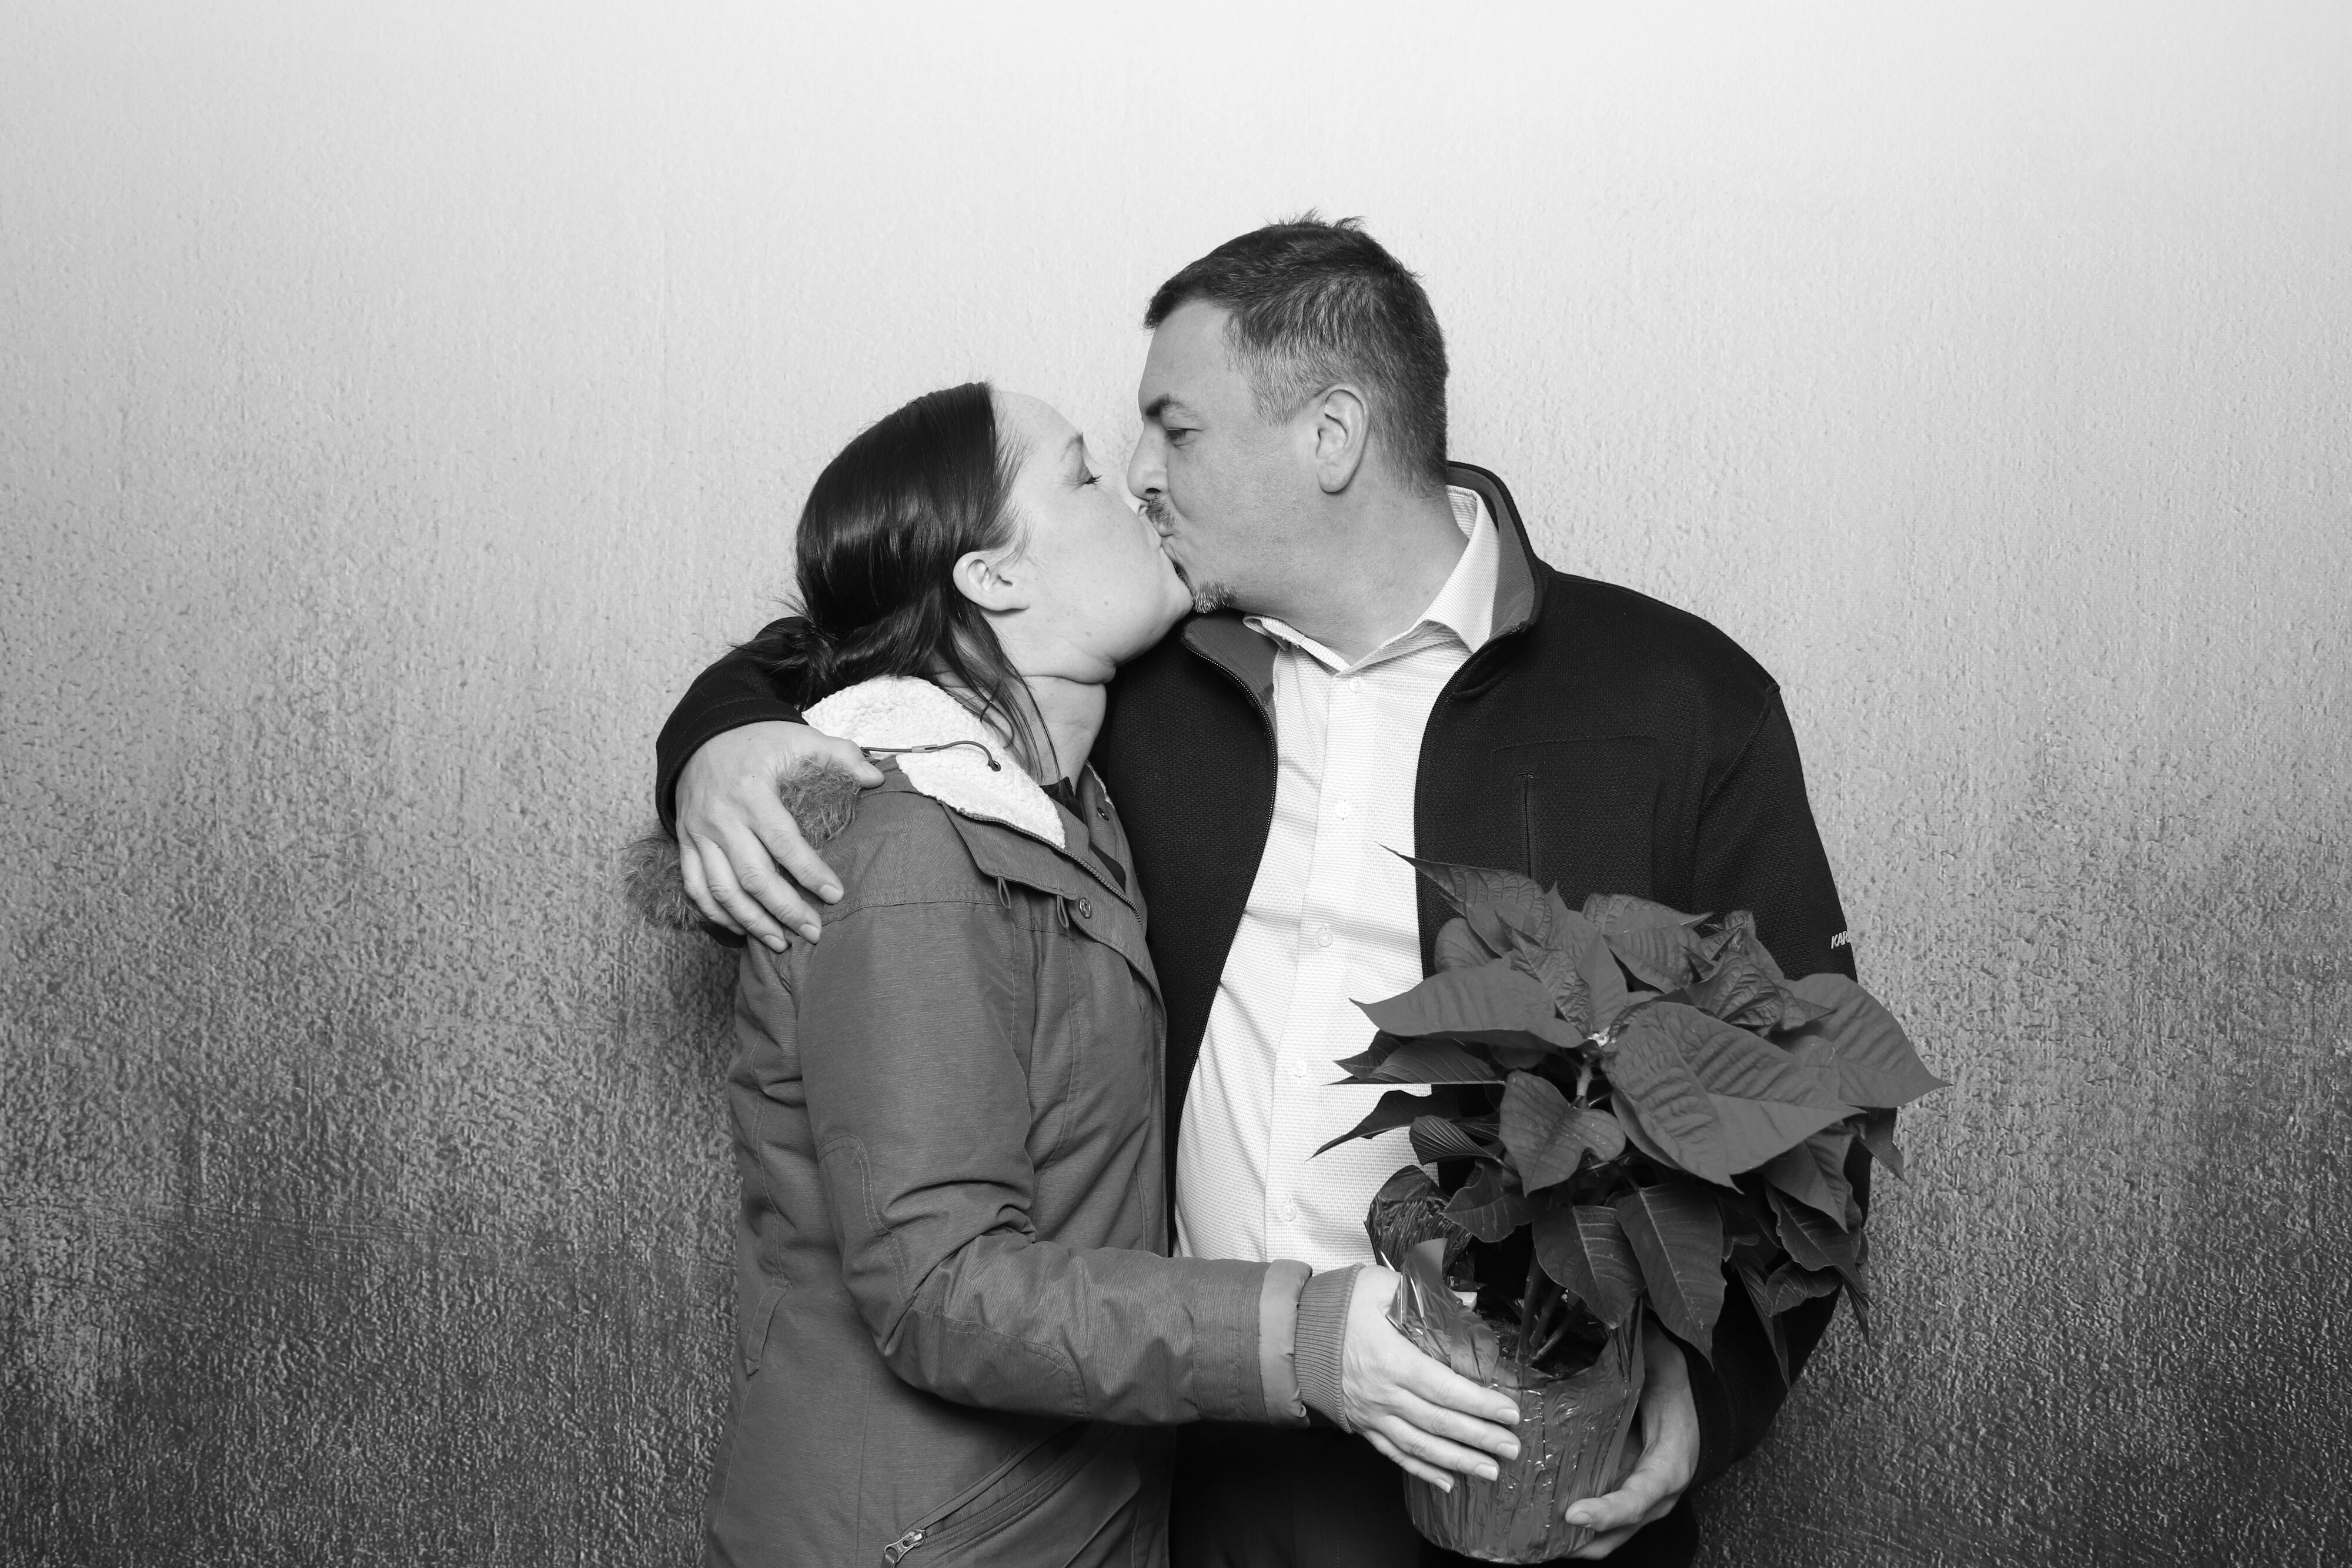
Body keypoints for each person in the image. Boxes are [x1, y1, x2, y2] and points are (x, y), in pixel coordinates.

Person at [655, 220, 1866, 1567]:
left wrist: (1703, 1386)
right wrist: (719, 742)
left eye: (1173, 427)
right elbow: (880, 636)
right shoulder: (1132, 669)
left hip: (1523, 1477)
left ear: (1329, 436)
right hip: (1202, 1470)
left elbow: (1810, 1095)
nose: (1140, 472)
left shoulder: (1673, 700)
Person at [663, 379, 1524, 1568]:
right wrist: (1309, 1334)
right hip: (927, 1539)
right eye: (1081, 475)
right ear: (994, 577)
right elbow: (940, 1288)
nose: (1136, 488)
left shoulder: (1068, 798)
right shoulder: (909, 850)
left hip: (1059, 1517)